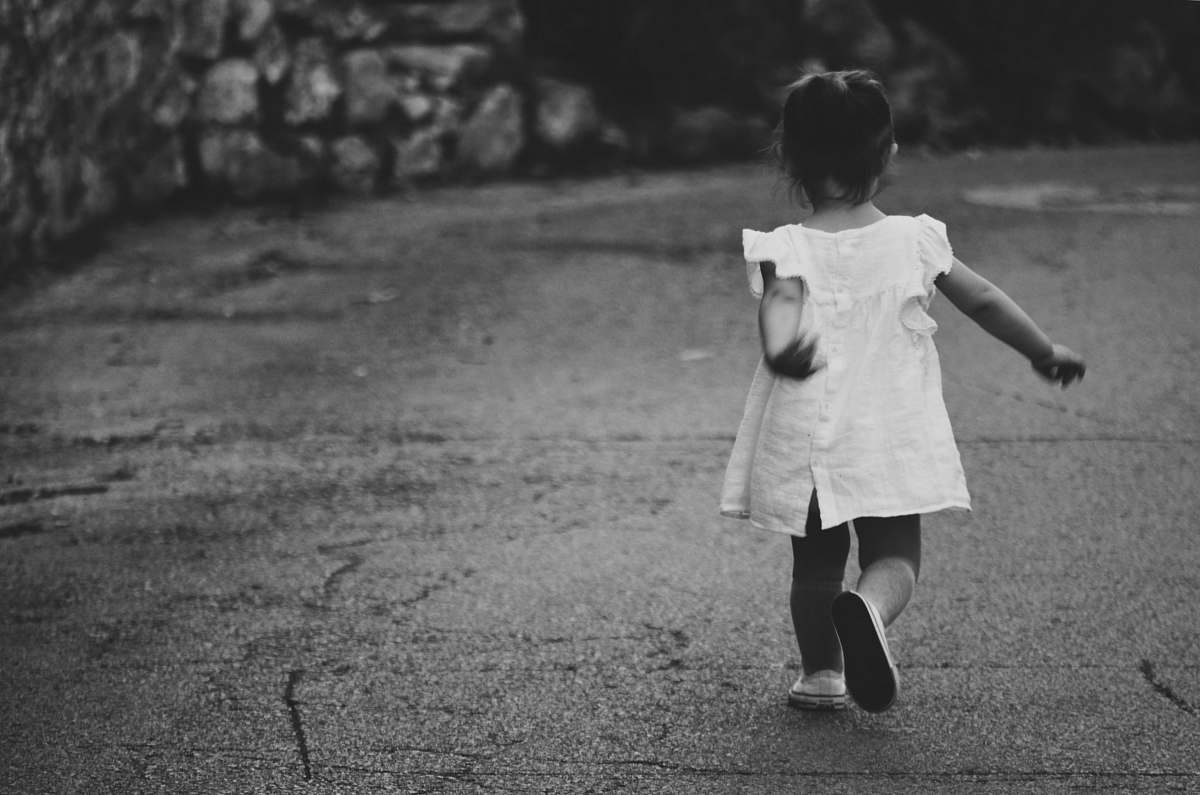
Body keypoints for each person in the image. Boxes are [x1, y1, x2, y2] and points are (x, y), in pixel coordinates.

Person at [719, 70, 1086, 713]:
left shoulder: (784, 248)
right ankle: (870, 607)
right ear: (888, 154)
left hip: (808, 438)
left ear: (790, 157)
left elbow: (780, 340)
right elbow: (985, 299)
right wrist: (1042, 350)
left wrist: (794, 352)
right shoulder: (914, 239)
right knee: (894, 556)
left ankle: (821, 675)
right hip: (888, 432)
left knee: (814, 568)